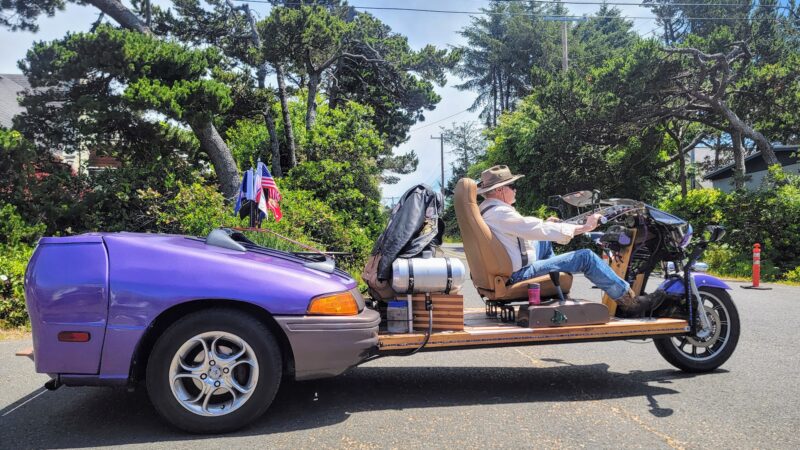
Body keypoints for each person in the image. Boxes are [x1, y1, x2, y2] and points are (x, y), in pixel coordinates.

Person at [476, 165, 664, 317]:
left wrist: (547, 224)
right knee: (586, 257)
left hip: (511, 266)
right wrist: (584, 227)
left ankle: (552, 289)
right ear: (500, 190)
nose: (515, 190)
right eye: (512, 186)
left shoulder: (488, 210)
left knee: (544, 241)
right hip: (519, 274)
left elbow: (525, 228)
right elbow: (532, 227)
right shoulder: (500, 213)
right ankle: (630, 302)